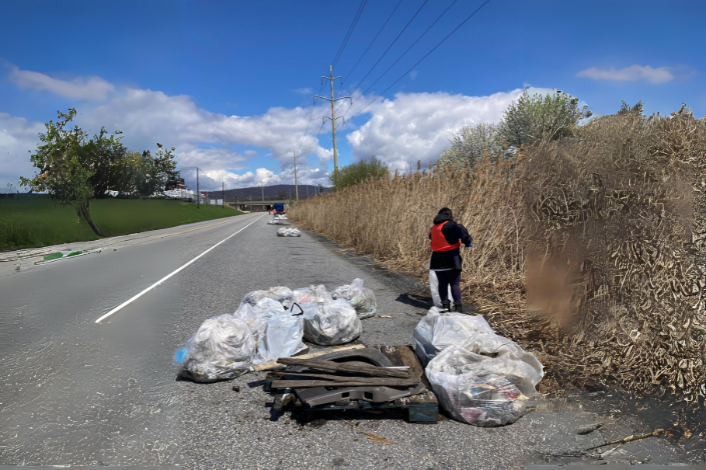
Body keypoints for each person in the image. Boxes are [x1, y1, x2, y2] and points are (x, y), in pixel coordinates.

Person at [429, 207, 472, 313]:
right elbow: (461, 229)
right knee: (454, 283)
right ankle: (458, 307)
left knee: (442, 283)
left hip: (436, 259)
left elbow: (431, 237)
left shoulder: (434, 227)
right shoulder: (450, 225)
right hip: (451, 257)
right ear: (449, 215)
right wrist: (467, 241)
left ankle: (445, 306)